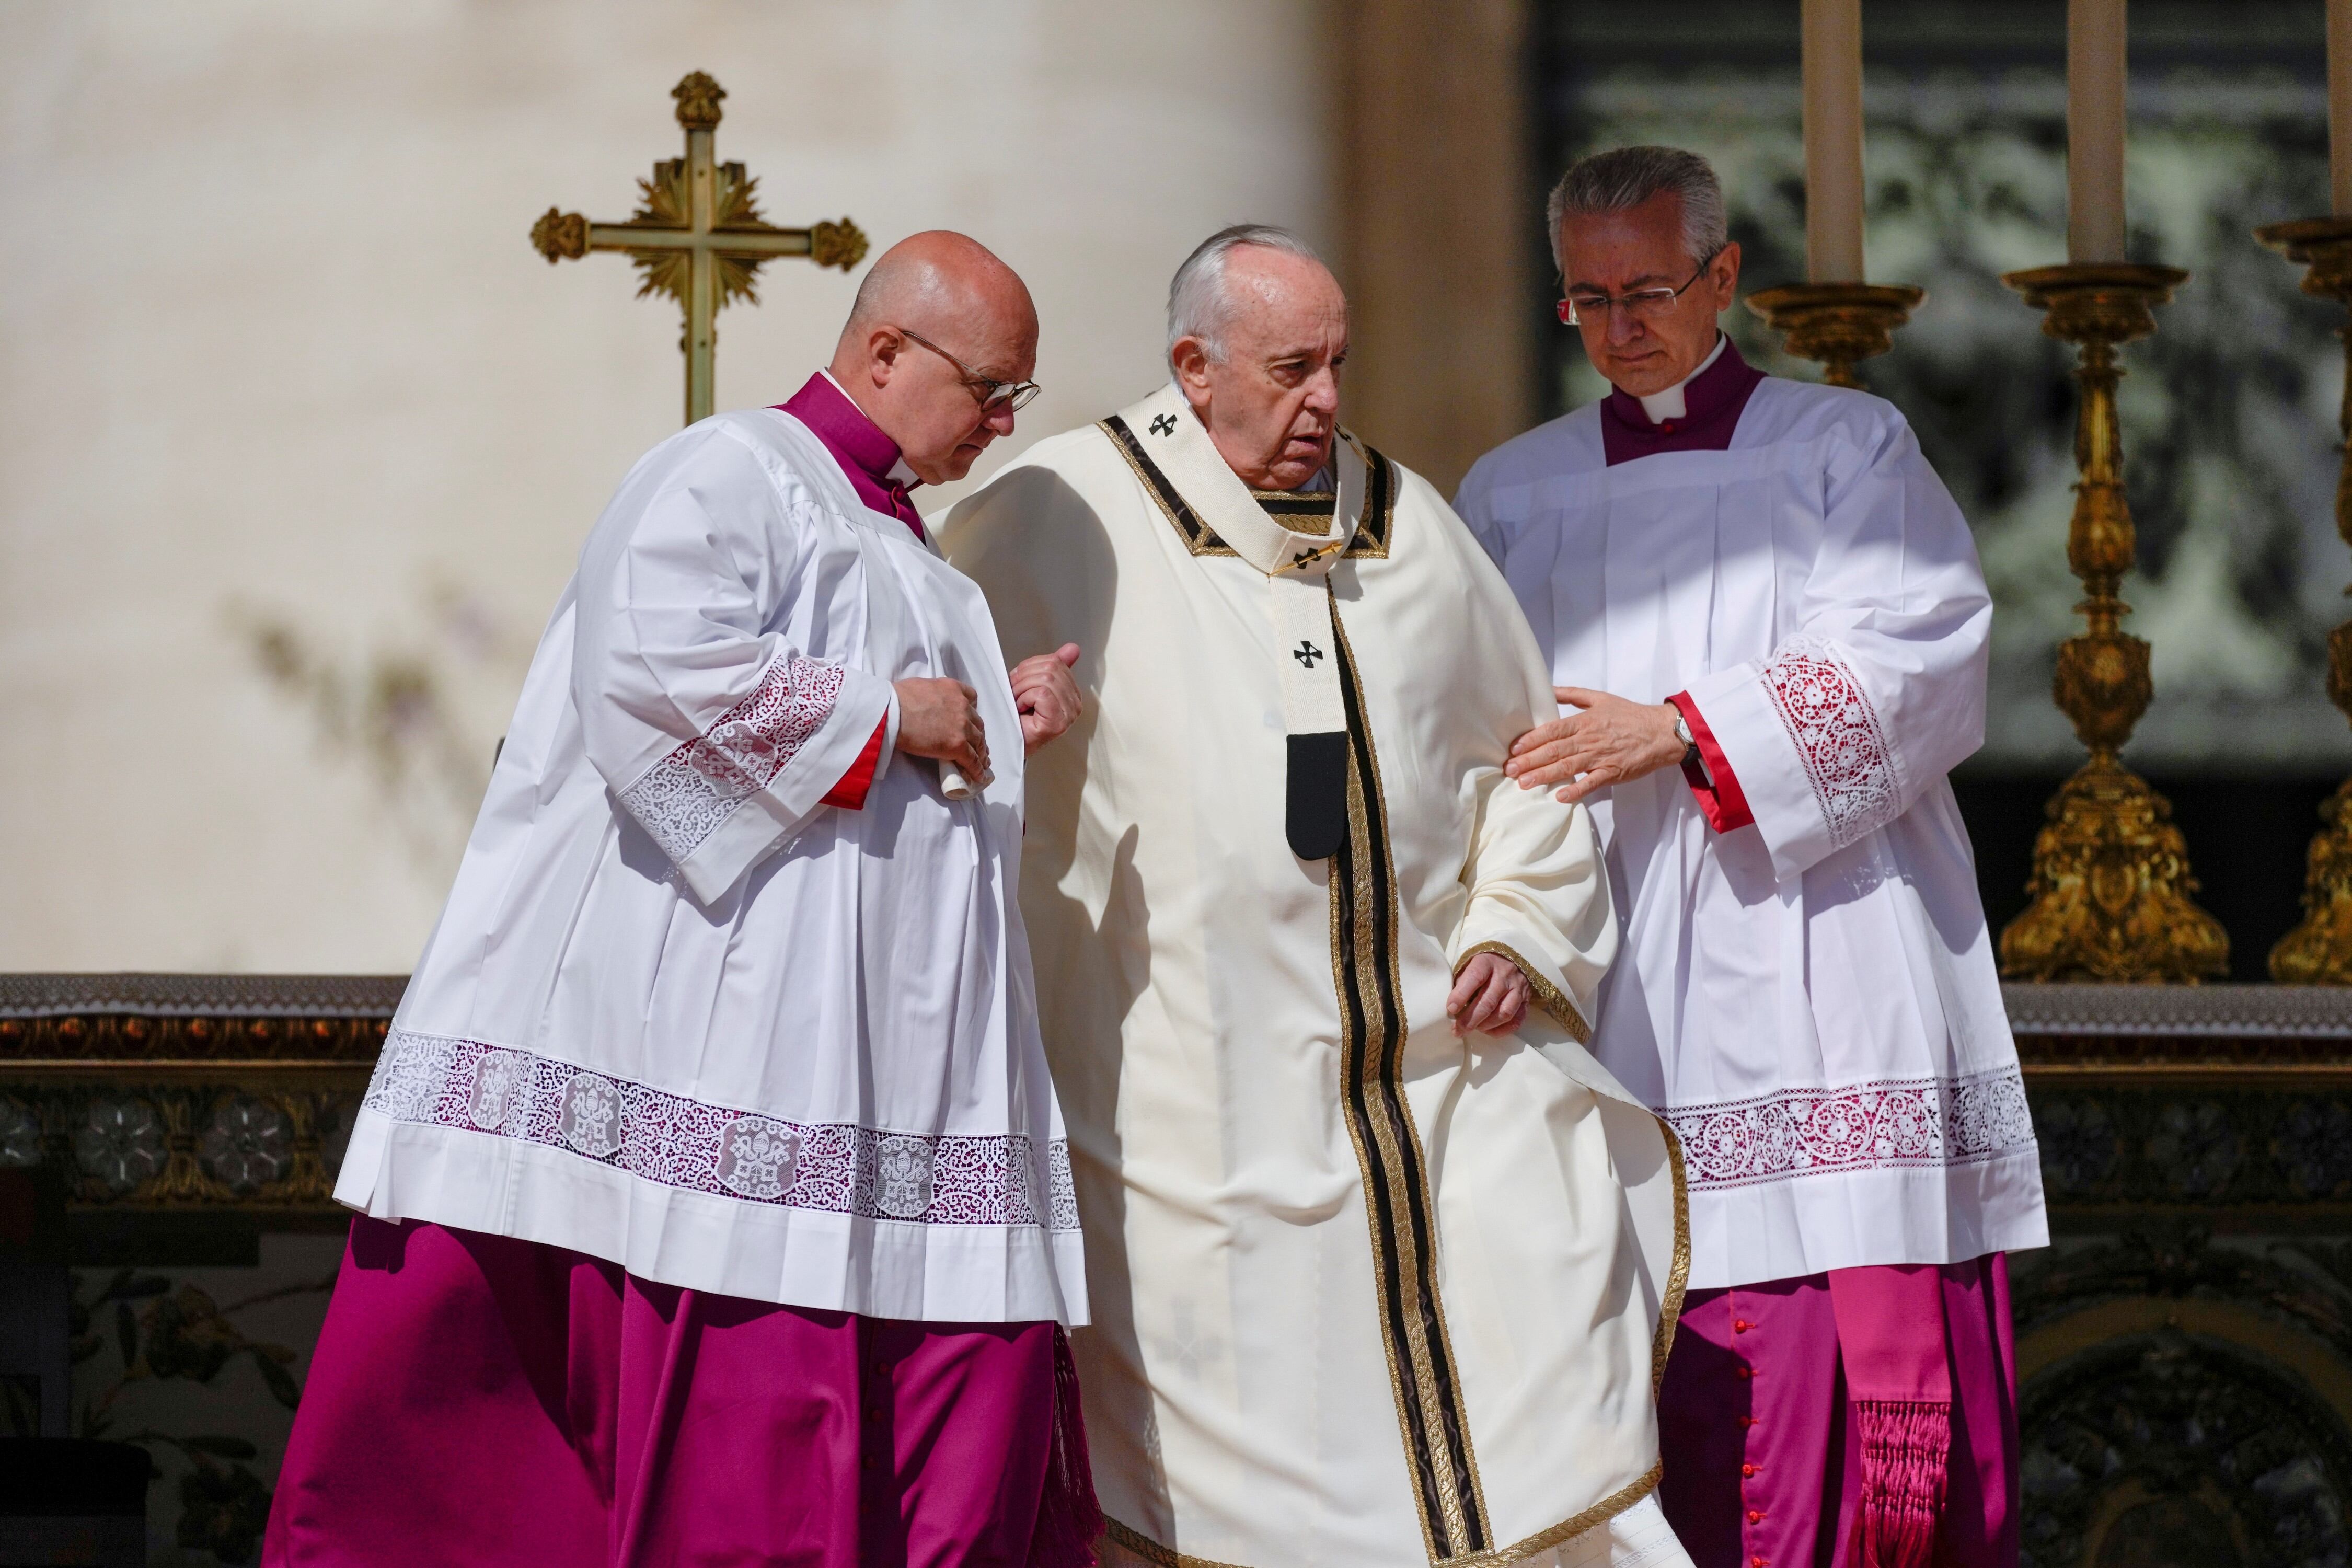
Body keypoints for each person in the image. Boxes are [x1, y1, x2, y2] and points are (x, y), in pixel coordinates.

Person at [265, 231, 1099, 1568]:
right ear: (884, 352)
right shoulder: (733, 472)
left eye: (1019, 401)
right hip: (743, 1053)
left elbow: (904, 764)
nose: (1001, 426)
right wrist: (900, 713)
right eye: (989, 391)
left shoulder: (922, 558)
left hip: (894, 1083)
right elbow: (654, 676)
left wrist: (999, 710)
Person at [942, 225, 1692, 1568]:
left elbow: (1534, 768)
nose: (1329, 401)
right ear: (1194, 367)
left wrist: (1520, 926)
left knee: (1528, 1358)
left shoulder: (1412, 531)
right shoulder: (1050, 517)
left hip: (1425, 1096)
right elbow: (937, 759)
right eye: (1292, 369)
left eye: (1339, 364)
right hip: (1178, 1113)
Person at [1454, 148, 2050, 1568]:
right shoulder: (1508, 493)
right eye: (1586, 300)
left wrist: (1680, 728)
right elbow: (1448, 724)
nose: (1618, 328)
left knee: (1829, 1382)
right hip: (1610, 970)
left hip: (1815, 947)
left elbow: (1923, 655)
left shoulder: (1842, 449)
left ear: (1724, 279)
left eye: (1648, 290)